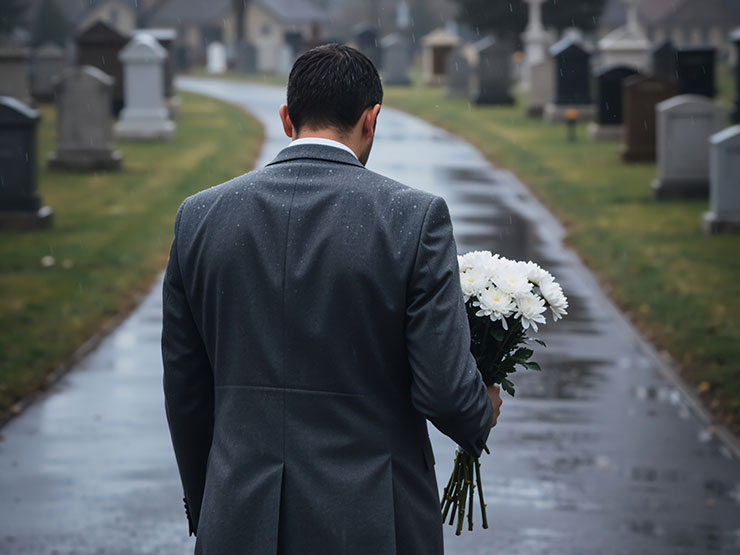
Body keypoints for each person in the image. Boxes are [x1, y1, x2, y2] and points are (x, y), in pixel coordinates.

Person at [162, 43, 502, 554]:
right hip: (371, 521)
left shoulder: (200, 217)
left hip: (239, 516)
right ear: (372, 118)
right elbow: (445, 391)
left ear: (286, 119)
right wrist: (481, 410)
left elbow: (186, 392)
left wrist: (213, 503)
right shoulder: (414, 218)